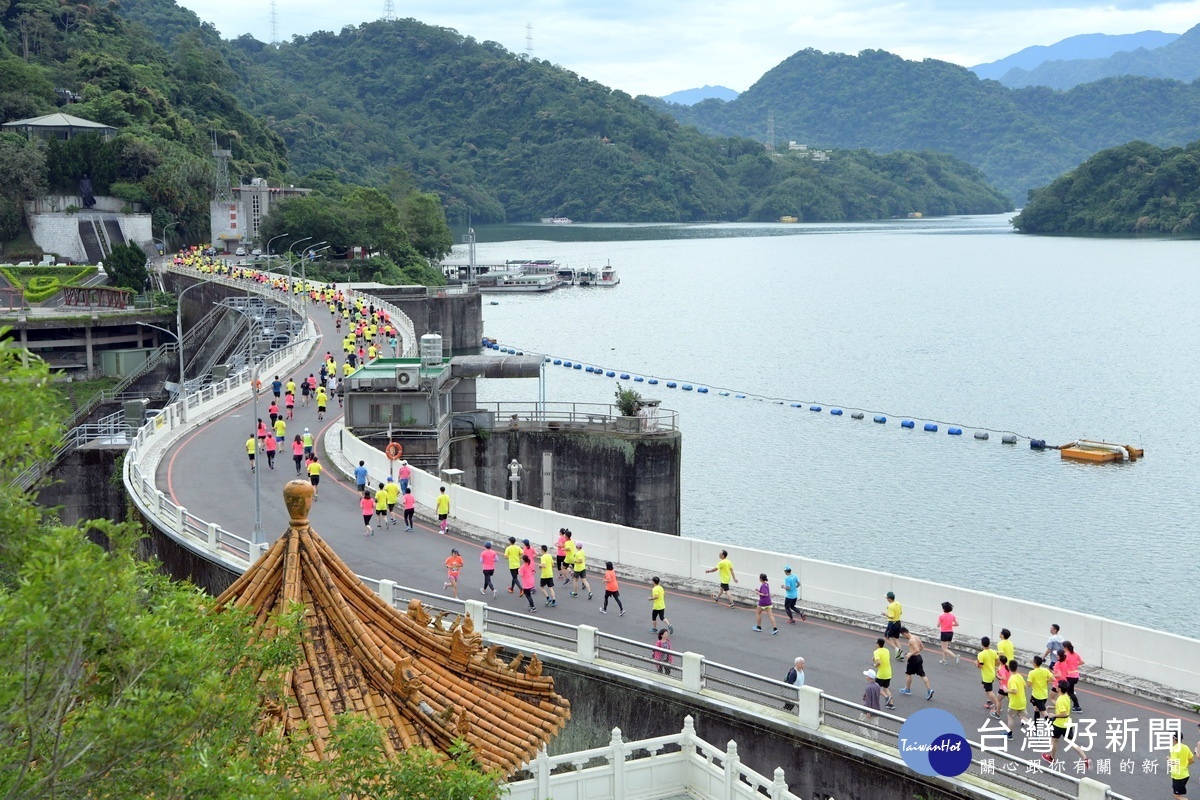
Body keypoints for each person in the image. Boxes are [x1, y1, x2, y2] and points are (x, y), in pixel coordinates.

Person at [1042, 680, 1090, 769]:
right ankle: (1085, 759)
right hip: (1068, 724)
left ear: (1059, 689)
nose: (1055, 687)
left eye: (1057, 686)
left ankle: (1052, 758)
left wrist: (1053, 714)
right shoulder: (1066, 697)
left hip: (1059, 724)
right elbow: (1064, 708)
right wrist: (1052, 707)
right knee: (1071, 743)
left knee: (1054, 740)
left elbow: (1064, 713)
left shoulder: (1059, 699)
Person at [898, 627, 934, 701]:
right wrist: (914, 653)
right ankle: (929, 690)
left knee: (908, 673)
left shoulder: (911, 640)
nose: (904, 637)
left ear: (904, 633)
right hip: (919, 657)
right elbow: (921, 647)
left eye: (903, 635)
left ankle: (907, 689)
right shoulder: (916, 637)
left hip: (913, 659)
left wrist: (910, 654)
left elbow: (916, 649)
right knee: (922, 674)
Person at [1004, 659, 1029, 740]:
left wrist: (1006, 690)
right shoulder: (1020, 676)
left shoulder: (1012, 679)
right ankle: (1036, 732)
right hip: (1022, 701)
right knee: (1023, 717)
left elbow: (1014, 691)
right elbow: (1025, 686)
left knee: (1010, 717)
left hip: (1014, 703)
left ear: (1009, 668)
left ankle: (1009, 734)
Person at [977, 636, 1001, 718]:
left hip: (986, 675)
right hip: (992, 673)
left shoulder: (981, 654)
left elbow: (980, 666)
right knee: (985, 688)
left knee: (989, 690)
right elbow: (997, 662)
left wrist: (976, 664)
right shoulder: (993, 652)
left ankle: (996, 705)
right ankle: (990, 701)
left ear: (982, 644)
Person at [1028, 655, 1054, 723]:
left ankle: (1052, 723)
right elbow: (1053, 679)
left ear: (1034, 663)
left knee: (1043, 712)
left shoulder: (1032, 673)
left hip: (1037, 696)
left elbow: (1029, 684)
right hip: (1044, 695)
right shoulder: (1045, 670)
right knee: (1036, 709)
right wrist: (1046, 680)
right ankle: (1036, 725)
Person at [1060, 641, 1084, 712]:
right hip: (1076, 675)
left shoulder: (1065, 655)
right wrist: (1076, 665)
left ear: (1066, 648)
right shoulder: (1076, 654)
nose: (1063, 649)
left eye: (1063, 647)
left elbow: (1063, 665)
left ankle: (1077, 706)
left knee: (1070, 692)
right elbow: (1082, 662)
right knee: (1071, 691)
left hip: (1069, 676)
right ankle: (1074, 705)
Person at [872, 637, 895, 709]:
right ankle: (891, 704)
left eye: (876, 643)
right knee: (886, 688)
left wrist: (875, 665)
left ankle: (886, 697)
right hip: (888, 673)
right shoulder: (886, 650)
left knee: (876, 688)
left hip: (881, 674)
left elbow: (879, 662)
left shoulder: (876, 652)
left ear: (878, 644)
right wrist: (874, 659)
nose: (875, 644)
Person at [1170, 730, 1194, 799]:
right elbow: (1191, 760)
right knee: (1177, 793)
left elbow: (1174, 762)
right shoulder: (1186, 747)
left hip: (1178, 776)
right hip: (1185, 775)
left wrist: (1169, 760)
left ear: (1174, 739)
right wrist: (1184, 765)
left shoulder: (1174, 749)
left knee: (1177, 796)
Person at [861, 669, 883, 738]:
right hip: (876, 708)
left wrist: (868, 711)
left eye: (867, 675)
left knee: (861, 722)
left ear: (869, 677)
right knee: (875, 726)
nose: (866, 676)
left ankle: (867, 737)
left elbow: (868, 700)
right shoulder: (877, 685)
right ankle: (875, 739)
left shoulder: (868, 688)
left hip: (869, 709)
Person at [883, 591, 903, 658]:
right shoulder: (898, 603)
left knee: (886, 638)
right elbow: (900, 613)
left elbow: (891, 616)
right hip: (898, 622)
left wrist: (885, 614)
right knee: (896, 639)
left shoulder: (890, 606)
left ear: (889, 598)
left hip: (892, 623)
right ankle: (900, 655)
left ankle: (896, 649)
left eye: (887, 598)